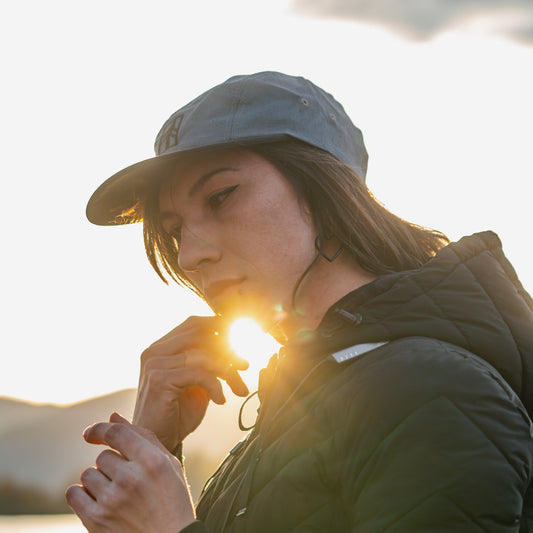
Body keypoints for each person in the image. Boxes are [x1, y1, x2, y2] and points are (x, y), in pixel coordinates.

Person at [67, 71, 533, 532]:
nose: (189, 255)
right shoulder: (308, 393)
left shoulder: (430, 390)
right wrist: (156, 451)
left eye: (221, 195)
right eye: (173, 230)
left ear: (327, 189)